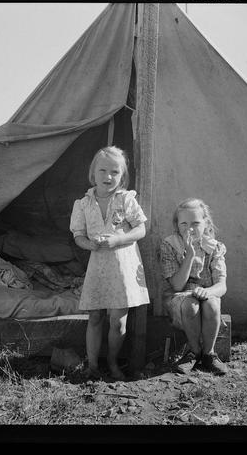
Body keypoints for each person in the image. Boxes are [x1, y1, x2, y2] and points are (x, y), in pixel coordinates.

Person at [70, 146, 150, 380]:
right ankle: (92, 365)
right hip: (98, 267)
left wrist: (118, 239)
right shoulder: (83, 204)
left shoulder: (126, 200)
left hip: (122, 267)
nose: (108, 177)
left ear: (122, 176)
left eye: (114, 172)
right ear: (92, 173)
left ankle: (113, 363)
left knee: (117, 322)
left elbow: (141, 229)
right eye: (102, 170)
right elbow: (78, 235)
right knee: (95, 317)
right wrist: (89, 244)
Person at [159, 198, 228, 375]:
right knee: (191, 304)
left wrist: (207, 291)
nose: (190, 228)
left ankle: (208, 354)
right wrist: (189, 256)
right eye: (184, 223)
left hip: (206, 294)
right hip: (180, 296)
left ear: (206, 223)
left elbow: (221, 285)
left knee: (212, 304)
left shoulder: (214, 247)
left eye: (196, 223)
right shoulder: (170, 245)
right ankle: (194, 352)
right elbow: (177, 285)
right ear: (177, 225)